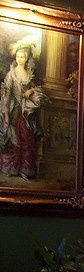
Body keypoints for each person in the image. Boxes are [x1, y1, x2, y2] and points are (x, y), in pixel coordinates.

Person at [0, 40, 47, 180]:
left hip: (26, 111)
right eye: (18, 56)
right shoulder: (11, 75)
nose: (20, 59)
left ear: (27, 58)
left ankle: (25, 169)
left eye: (23, 57)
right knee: (13, 139)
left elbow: (37, 88)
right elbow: (7, 97)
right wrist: (6, 115)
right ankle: (12, 168)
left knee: (27, 139)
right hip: (14, 111)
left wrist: (30, 90)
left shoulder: (29, 73)